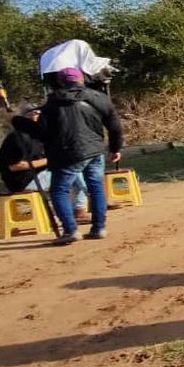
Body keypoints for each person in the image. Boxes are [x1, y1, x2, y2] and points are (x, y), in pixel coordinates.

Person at [13, 67, 124, 245]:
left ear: (60, 82)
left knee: (60, 191)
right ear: (82, 79)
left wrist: (18, 122)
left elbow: (42, 133)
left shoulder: (53, 102)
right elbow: (115, 126)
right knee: (96, 187)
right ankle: (99, 228)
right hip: (95, 151)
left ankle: (71, 231)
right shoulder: (99, 98)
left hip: (68, 153)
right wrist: (115, 148)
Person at [0, 103, 90, 223]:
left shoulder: (39, 135)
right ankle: (83, 206)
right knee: (72, 172)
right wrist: (50, 160)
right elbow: (15, 166)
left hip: (39, 175)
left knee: (74, 169)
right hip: (23, 180)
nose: (36, 116)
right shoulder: (18, 138)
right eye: (32, 113)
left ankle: (77, 209)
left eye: (38, 113)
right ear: (23, 118)